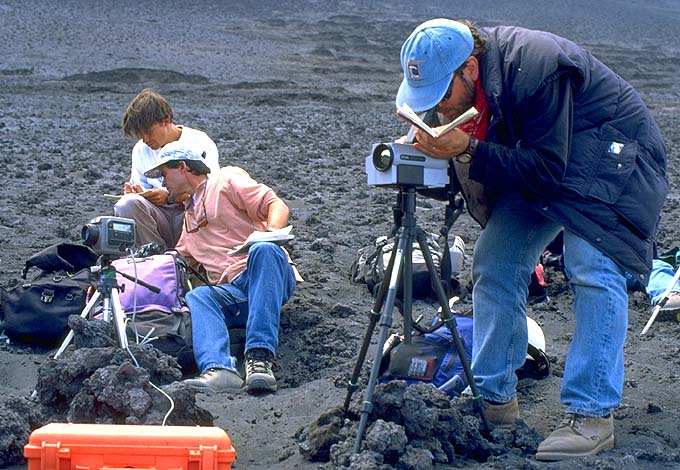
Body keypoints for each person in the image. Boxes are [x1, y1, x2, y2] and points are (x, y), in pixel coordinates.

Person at [395, 19, 667, 461]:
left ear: (470, 68)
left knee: (591, 265)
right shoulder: (456, 80)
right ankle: (493, 400)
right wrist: (424, 158)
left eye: (443, 95)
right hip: (544, 155)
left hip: (616, 157)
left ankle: (592, 414)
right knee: (494, 261)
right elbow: (510, 164)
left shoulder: (536, 65)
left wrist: (465, 149)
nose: (439, 108)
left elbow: (545, 169)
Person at [144, 142, 298, 395]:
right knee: (199, 295)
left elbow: (276, 205)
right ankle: (219, 370)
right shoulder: (189, 218)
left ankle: (259, 358)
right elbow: (175, 260)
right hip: (235, 292)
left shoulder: (226, 179)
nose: (163, 184)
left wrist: (270, 234)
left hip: (268, 274)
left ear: (182, 167)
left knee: (264, 249)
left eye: (164, 174)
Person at [117, 88, 220, 249]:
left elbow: (211, 191)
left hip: (190, 215)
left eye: (148, 132)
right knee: (128, 204)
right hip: (159, 217)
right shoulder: (140, 150)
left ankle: (194, 261)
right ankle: (156, 261)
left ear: (165, 121)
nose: (145, 140)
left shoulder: (199, 142)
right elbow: (142, 190)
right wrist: (138, 193)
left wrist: (170, 197)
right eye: (140, 135)